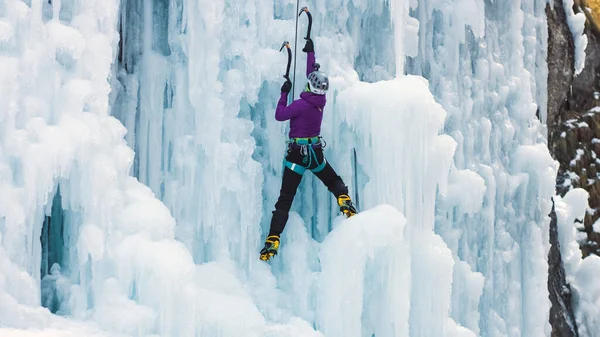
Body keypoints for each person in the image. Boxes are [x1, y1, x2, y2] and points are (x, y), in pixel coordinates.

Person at [259, 37, 358, 262]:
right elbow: (310, 74)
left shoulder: (301, 105)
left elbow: (279, 115)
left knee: (285, 199)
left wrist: (284, 93)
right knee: (332, 179)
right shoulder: (319, 102)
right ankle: (344, 199)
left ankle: (273, 239)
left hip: (296, 156)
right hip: (315, 154)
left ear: (309, 86)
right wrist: (310, 52)